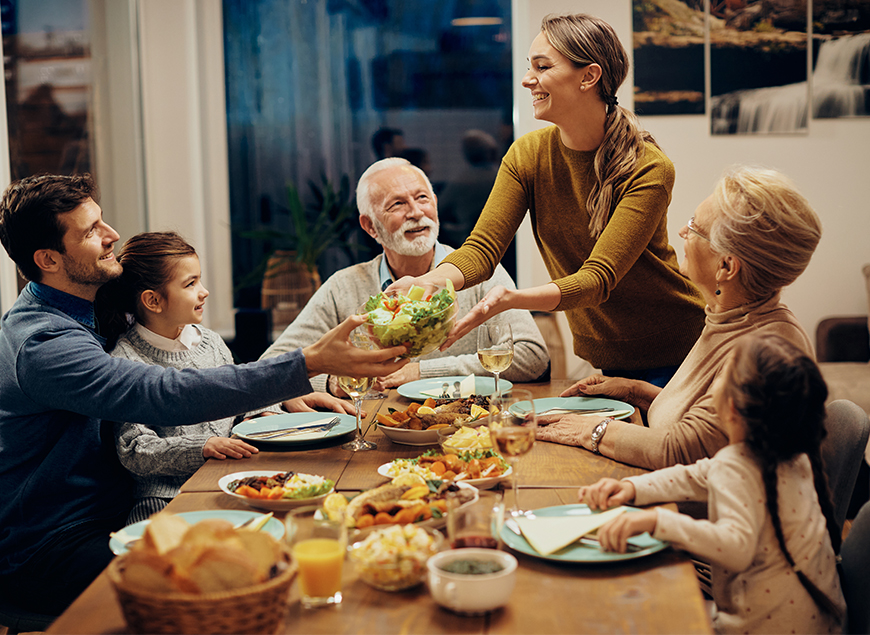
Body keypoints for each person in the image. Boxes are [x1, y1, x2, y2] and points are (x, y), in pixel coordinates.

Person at [0, 174, 408, 615]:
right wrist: (305, 364)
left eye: (102, 221)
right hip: (53, 540)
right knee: (225, 586)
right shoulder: (42, 344)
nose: (111, 235)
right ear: (48, 259)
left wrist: (279, 399)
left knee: (286, 541)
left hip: (113, 511)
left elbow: (198, 372)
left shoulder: (88, 311)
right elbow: (160, 393)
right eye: (90, 231)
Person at [389, 13, 705, 388]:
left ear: (588, 76)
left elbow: (598, 279)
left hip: (681, 351)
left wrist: (513, 299)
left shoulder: (649, 167)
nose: (527, 79)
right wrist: (435, 279)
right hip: (611, 355)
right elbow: (483, 249)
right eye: (530, 66)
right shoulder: (528, 154)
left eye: (542, 66)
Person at [536, 166, 822, 470]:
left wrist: (586, 430)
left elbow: (684, 450)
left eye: (694, 226)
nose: (683, 232)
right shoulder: (730, 317)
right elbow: (713, 425)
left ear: (726, 267)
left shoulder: (767, 352)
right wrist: (635, 390)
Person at [580, 333, 846, 634]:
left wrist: (656, 520)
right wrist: (633, 488)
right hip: (819, 622)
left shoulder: (740, 464)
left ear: (731, 407)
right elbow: (700, 474)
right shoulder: (791, 455)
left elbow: (735, 547)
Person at [98, 232, 343, 523]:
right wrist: (202, 447)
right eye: (190, 284)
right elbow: (134, 449)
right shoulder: (123, 360)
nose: (204, 291)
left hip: (230, 482)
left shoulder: (211, 342)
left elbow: (239, 398)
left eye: (199, 280)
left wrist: (260, 413)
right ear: (152, 300)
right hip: (166, 500)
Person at [261, 158, 550, 392]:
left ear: (435, 204)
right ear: (370, 226)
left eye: (422, 198)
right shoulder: (344, 286)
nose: (415, 212)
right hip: (376, 436)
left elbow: (532, 357)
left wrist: (421, 371)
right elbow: (273, 366)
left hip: (469, 428)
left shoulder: (480, 272)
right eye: (397, 204)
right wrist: (334, 381)